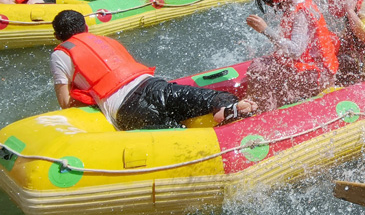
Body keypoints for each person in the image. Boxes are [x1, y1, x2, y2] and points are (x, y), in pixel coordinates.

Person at [50, 10, 255, 130]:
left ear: (58, 36)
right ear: (86, 28)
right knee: (212, 98)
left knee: (177, 134)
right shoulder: (105, 40)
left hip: (128, 109)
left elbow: (65, 102)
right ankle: (225, 108)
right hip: (154, 86)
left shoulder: (61, 54)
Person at [244, 0, 340, 107]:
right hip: (319, 67)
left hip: (318, 73)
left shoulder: (300, 14)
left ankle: (260, 110)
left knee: (257, 68)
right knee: (266, 66)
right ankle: (260, 102)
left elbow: (295, 51)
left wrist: (265, 30)